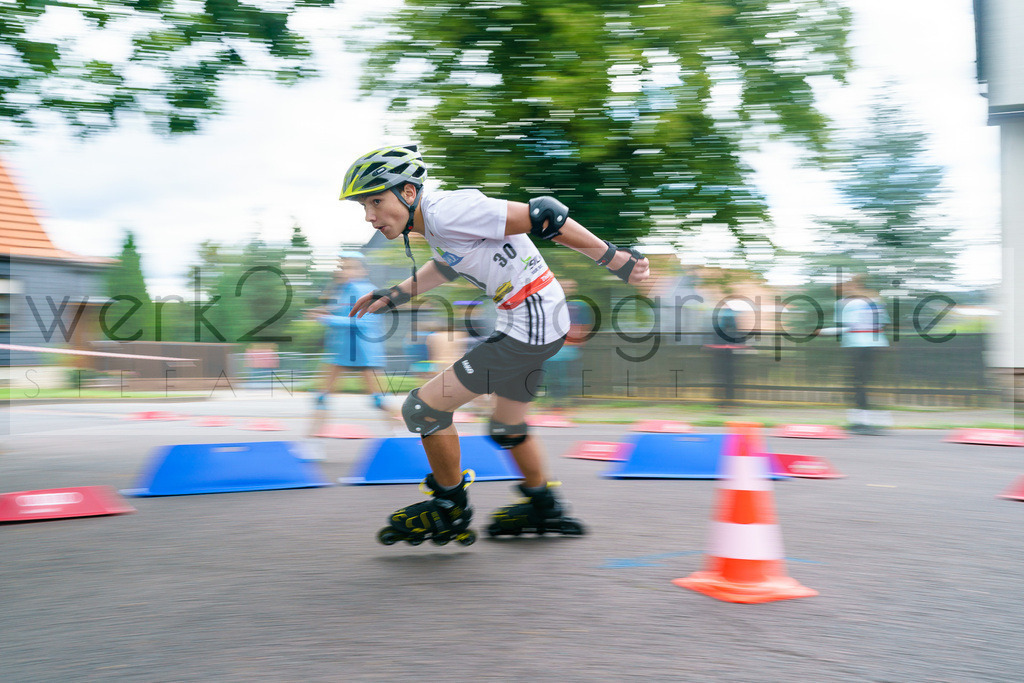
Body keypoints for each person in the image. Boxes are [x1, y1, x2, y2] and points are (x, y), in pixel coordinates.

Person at [341, 144, 650, 545]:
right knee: (506, 426)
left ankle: (450, 506)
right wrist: (397, 294)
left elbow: (545, 214)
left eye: (376, 202)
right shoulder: (435, 225)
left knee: (424, 408)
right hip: (533, 318)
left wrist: (613, 259)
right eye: (364, 206)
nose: (369, 216)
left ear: (409, 193)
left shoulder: (447, 210)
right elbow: (451, 263)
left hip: (532, 322)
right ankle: (544, 506)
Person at [307, 252, 396, 436]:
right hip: (341, 351)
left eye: (349, 267)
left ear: (363, 270)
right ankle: (312, 442)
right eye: (341, 267)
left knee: (378, 400)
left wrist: (327, 318)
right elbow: (343, 312)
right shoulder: (344, 289)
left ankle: (404, 433)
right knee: (321, 397)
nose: (342, 271)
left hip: (364, 351)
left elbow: (365, 322)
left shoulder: (367, 290)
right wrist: (327, 312)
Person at [834, 274, 891, 435]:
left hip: (858, 345)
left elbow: (848, 326)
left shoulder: (845, 303)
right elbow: (883, 322)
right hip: (875, 344)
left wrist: (823, 332)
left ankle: (862, 422)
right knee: (861, 383)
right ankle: (861, 420)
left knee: (857, 384)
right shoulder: (875, 300)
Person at [541, 279, 594, 418]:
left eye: (569, 286)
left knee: (566, 376)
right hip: (554, 348)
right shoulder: (552, 304)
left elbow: (586, 324)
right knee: (553, 375)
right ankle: (557, 403)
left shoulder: (579, 305)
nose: (566, 289)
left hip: (570, 347)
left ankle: (564, 403)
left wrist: (581, 340)